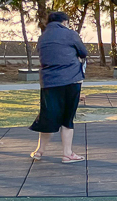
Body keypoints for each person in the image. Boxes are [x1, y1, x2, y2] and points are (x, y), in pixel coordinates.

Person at [29, 11, 87, 164]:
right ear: (65, 22)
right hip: (71, 79)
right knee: (67, 118)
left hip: (49, 82)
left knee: (48, 115)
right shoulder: (70, 34)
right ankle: (67, 154)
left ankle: (39, 151)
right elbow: (83, 52)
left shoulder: (43, 37)